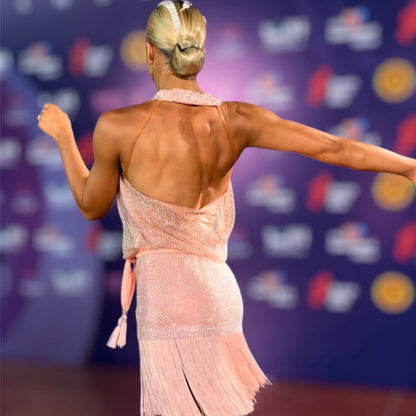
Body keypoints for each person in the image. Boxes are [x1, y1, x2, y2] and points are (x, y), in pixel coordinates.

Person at [37, 1, 416, 415]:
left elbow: (91, 205)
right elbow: (334, 147)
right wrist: (409, 167)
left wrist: (64, 137)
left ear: (149, 52)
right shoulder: (236, 118)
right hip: (219, 295)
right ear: (199, 50)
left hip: (167, 299)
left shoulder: (119, 125)